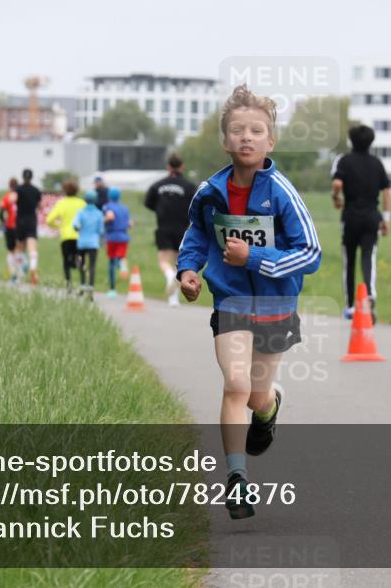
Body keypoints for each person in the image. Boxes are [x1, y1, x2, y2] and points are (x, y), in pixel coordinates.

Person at [176, 85, 321, 520]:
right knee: (235, 385)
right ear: (225, 141)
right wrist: (188, 269)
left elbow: (310, 253)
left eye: (257, 130)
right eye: (238, 130)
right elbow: (197, 235)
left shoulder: (281, 192)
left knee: (256, 396)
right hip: (232, 301)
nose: (247, 137)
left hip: (276, 306)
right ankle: (236, 479)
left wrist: (253, 256)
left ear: (270, 142)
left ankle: (271, 405)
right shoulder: (210, 191)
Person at [331, 125, 391, 324]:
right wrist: (386, 218)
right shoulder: (377, 163)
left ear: (351, 141)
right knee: (368, 256)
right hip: (372, 217)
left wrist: (336, 197)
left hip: (350, 218)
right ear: (371, 142)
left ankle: (349, 306)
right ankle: (371, 294)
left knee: (349, 261)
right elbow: (386, 191)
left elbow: (337, 184)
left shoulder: (345, 161)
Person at [145, 154, 197, 307]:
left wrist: (161, 210)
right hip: (182, 228)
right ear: (182, 167)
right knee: (177, 262)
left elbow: (149, 203)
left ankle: (169, 276)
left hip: (163, 227)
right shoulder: (189, 186)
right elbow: (195, 205)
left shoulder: (157, 185)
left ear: (168, 167)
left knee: (163, 260)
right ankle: (173, 298)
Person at [45, 180, 85, 293]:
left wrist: (58, 225)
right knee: (81, 260)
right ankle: (82, 284)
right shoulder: (81, 203)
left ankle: (69, 285)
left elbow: (49, 220)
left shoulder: (61, 203)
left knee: (66, 262)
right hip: (79, 236)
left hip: (66, 236)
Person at [72, 190, 106, 300]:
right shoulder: (99, 213)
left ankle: (82, 284)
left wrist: (78, 228)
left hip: (81, 242)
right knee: (92, 266)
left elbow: (76, 224)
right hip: (93, 243)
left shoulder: (80, 212)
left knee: (80, 263)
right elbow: (101, 230)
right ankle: (91, 288)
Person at [103, 187, 133, 298]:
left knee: (111, 262)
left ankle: (112, 289)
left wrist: (102, 222)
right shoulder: (124, 208)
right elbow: (130, 223)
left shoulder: (108, 206)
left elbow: (110, 216)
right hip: (124, 236)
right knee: (121, 256)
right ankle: (122, 263)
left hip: (112, 236)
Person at [15, 168, 43, 285]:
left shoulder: (18, 189)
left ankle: (21, 274)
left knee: (20, 248)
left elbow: (13, 200)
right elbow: (40, 206)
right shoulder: (36, 190)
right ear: (32, 177)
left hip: (20, 220)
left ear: (22, 177)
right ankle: (33, 269)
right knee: (32, 248)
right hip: (31, 220)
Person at [0, 178, 22, 282]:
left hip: (9, 226)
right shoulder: (20, 196)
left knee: (10, 250)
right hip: (19, 226)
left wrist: (4, 221)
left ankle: (12, 273)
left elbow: (1, 212)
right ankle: (19, 272)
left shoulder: (6, 197)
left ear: (9, 186)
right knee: (19, 249)